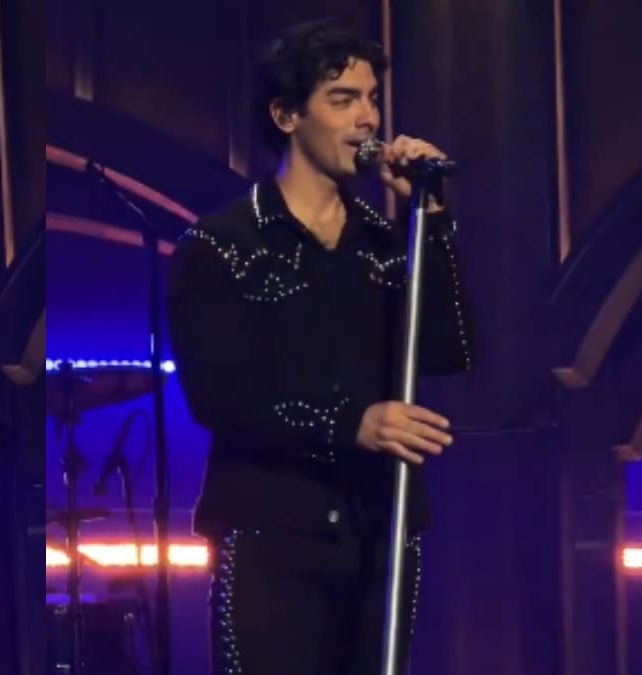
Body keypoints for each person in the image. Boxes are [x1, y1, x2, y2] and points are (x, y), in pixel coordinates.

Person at [165, 19, 476, 675]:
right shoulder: (223, 243)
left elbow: (452, 350)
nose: (368, 119)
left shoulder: (385, 244)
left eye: (372, 100)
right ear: (287, 115)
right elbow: (219, 396)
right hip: (270, 531)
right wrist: (351, 424)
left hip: (378, 529)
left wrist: (429, 219)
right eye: (343, 99)